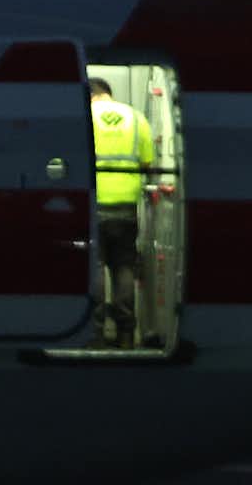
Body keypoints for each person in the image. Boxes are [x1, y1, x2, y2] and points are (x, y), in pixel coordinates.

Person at [87, 77, 155, 345]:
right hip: (126, 204)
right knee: (123, 266)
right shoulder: (136, 118)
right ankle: (126, 333)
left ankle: (96, 332)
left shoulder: (84, 116)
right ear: (108, 94)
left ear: (89, 95)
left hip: (93, 204)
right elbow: (148, 162)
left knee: (95, 267)